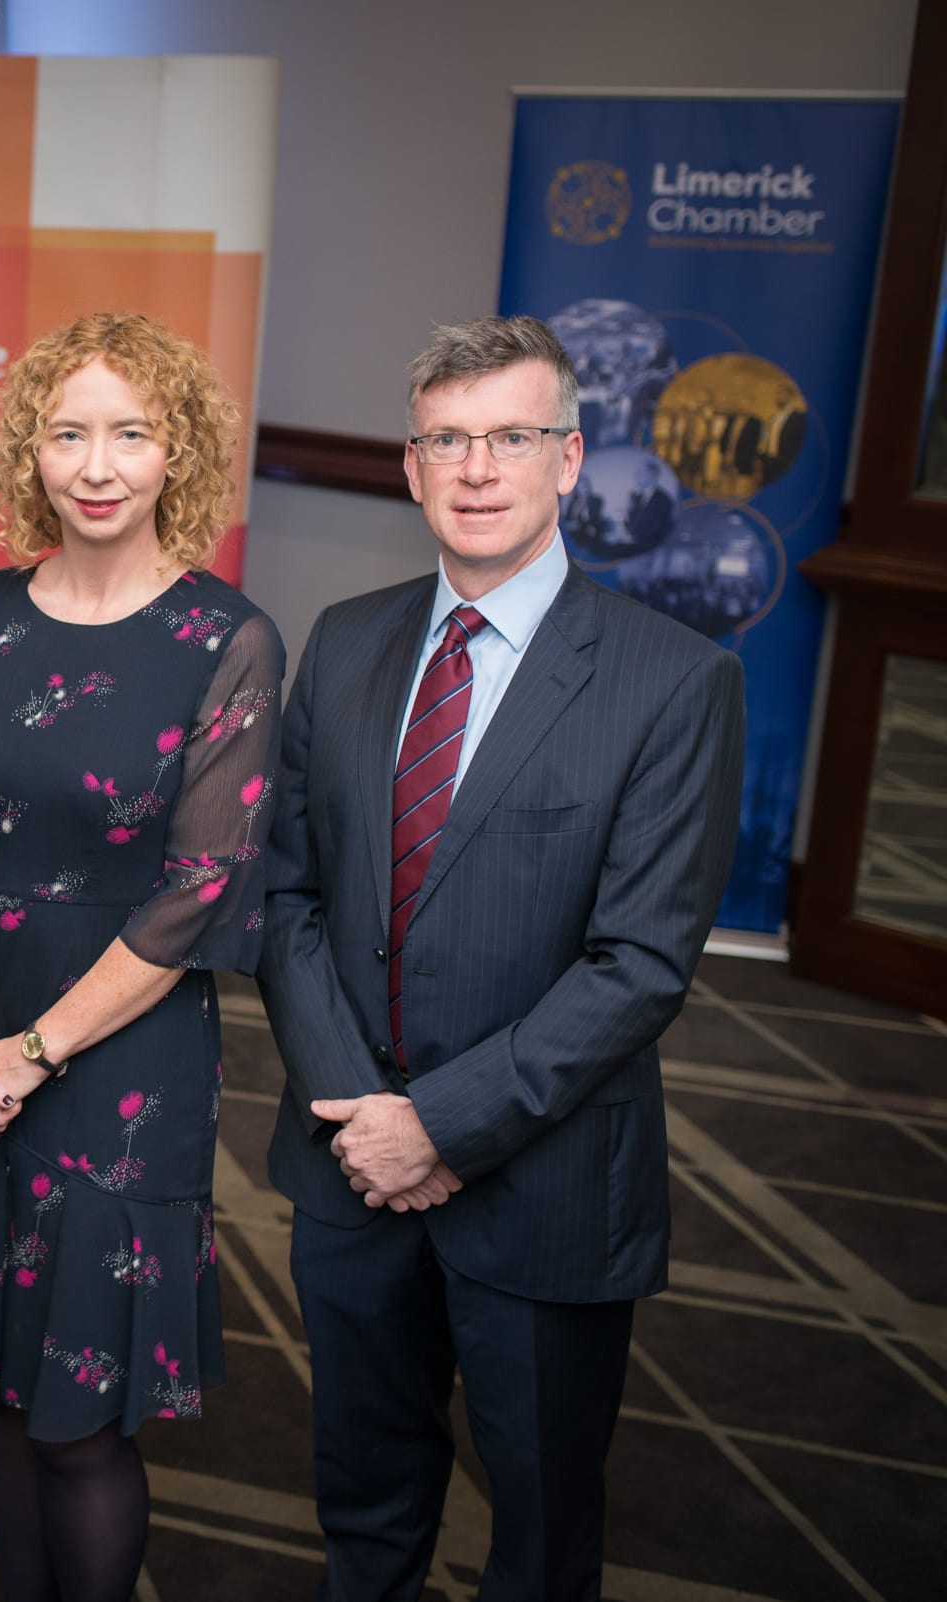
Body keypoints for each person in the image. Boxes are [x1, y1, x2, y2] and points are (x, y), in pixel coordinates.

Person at [257, 315, 746, 1602]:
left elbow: (639, 964)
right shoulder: (346, 641)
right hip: (347, 1166)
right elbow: (288, 895)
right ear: (412, 468)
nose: (478, 469)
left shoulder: (671, 682)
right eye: (447, 441)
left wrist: (439, 1126)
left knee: (537, 1542)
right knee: (362, 1511)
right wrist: (363, 1116)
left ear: (571, 459)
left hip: (543, 1191)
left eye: (512, 438)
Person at [0, 311, 284, 1602]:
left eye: (131, 431)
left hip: (121, 1066)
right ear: (32, 452)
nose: (97, 463)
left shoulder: (227, 639)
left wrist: (34, 1046)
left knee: (82, 1418)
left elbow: (197, 893)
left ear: (178, 453)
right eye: (69, 432)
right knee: (7, 1390)